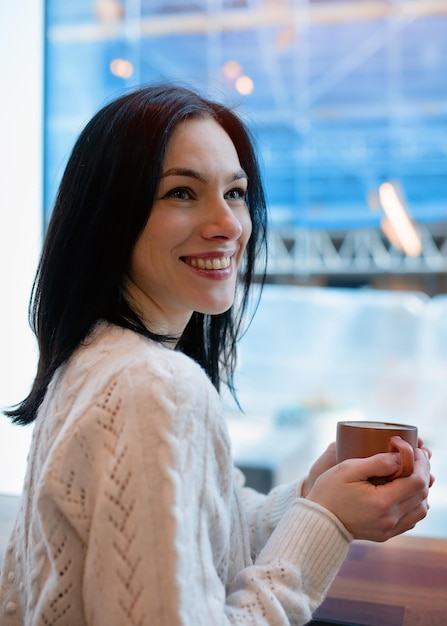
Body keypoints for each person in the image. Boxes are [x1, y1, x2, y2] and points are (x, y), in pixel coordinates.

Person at [0, 84, 432, 625]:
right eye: (182, 193)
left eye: (234, 192)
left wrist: (311, 492)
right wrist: (328, 523)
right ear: (110, 215)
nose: (229, 224)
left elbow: (192, 534)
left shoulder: (95, 359)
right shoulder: (153, 385)